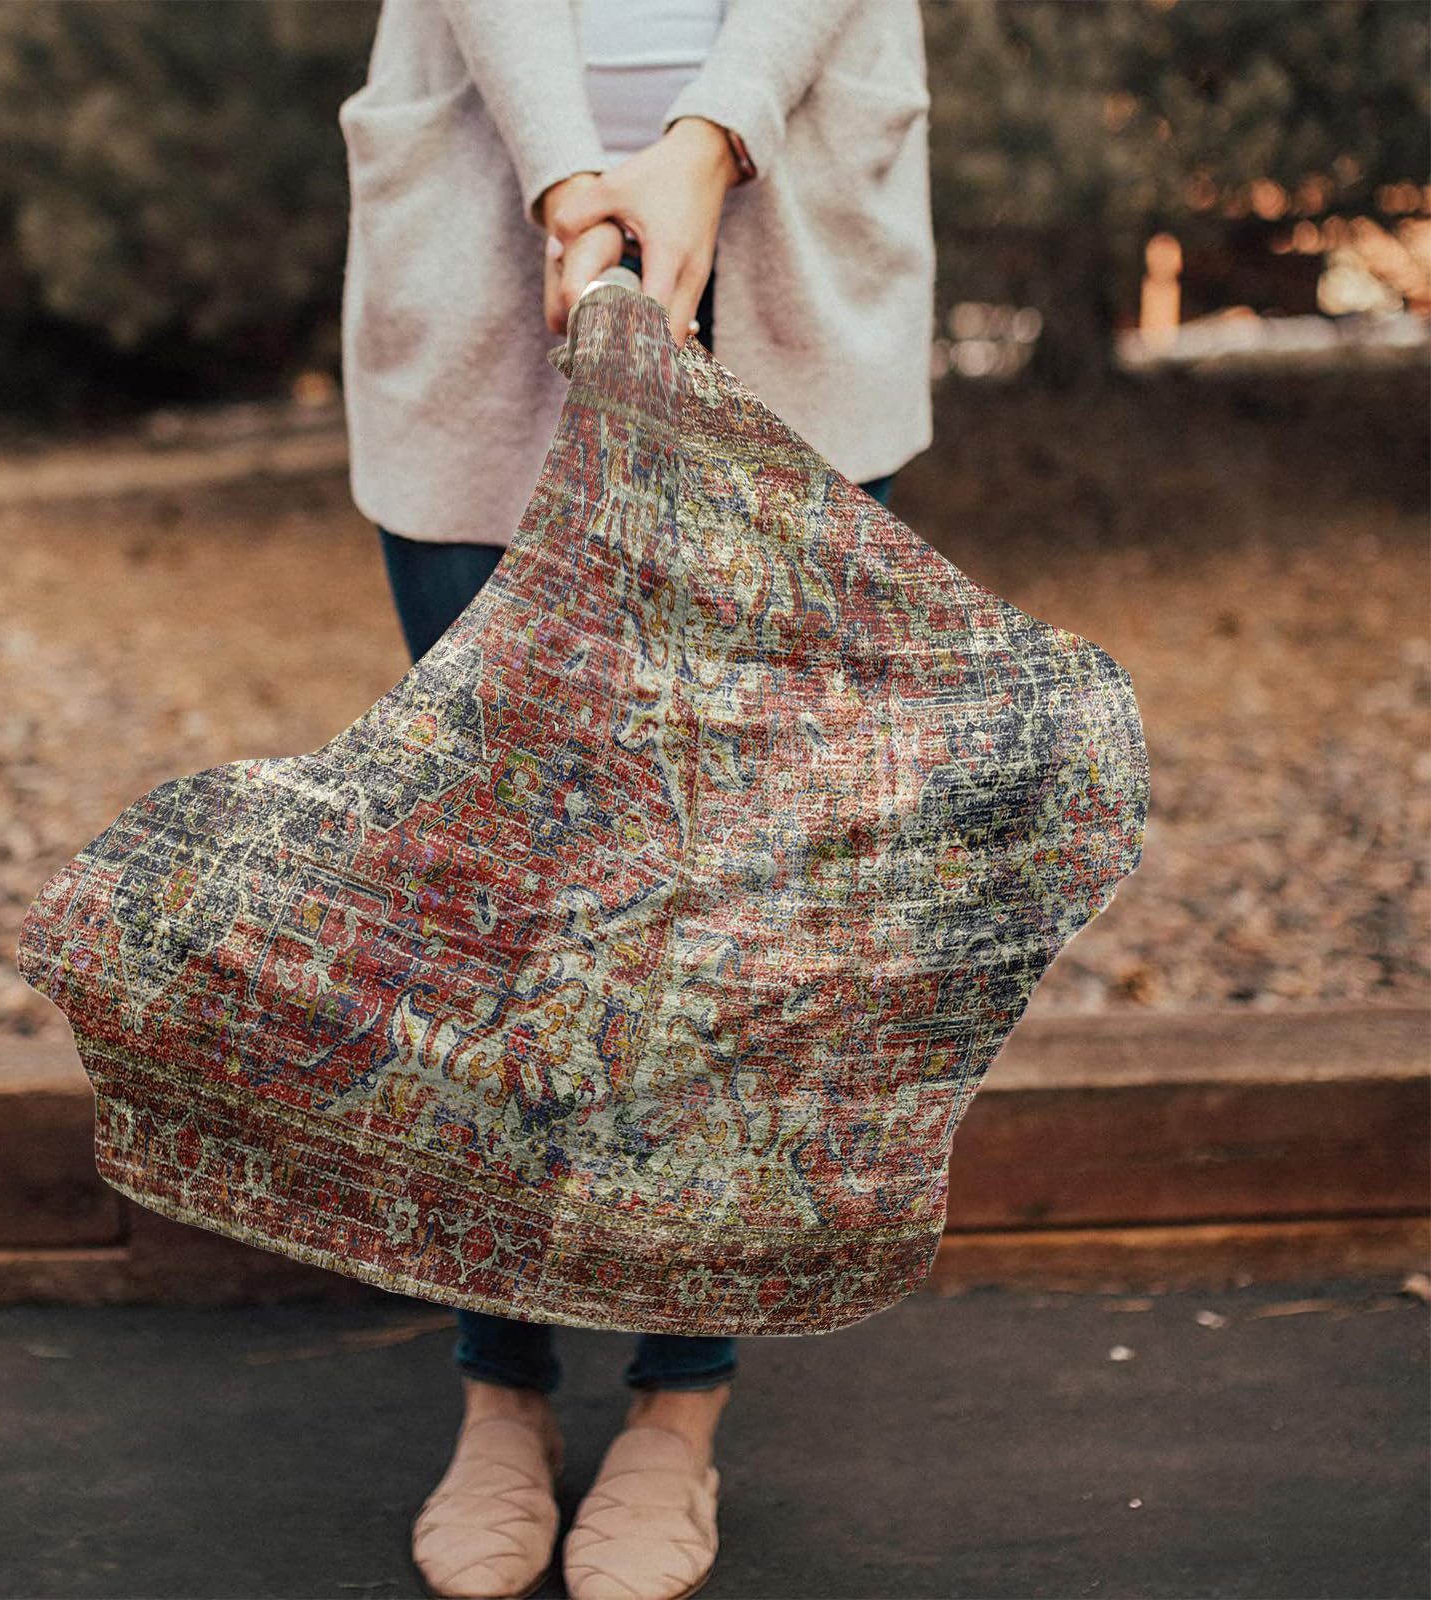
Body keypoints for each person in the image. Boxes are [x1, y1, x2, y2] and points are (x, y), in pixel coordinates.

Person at [337, 3, 934, 1596]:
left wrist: (711, 139)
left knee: (729, 892)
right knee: (498, 886)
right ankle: (502, 1387)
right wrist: (565, 177)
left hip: (791, 227)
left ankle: (679, 1405)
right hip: (485, 221)